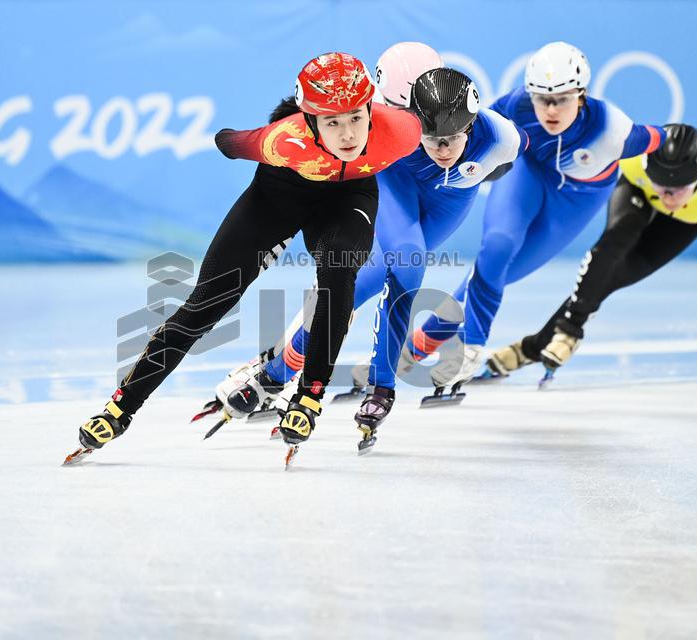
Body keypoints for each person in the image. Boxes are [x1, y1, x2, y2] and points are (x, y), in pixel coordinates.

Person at [63, 52, 422, 466]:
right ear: (309, 120)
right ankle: (120, 409)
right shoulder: (282, 139)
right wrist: (238, 136)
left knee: (339, 267)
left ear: (371, 110)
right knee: (204, 307)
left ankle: (310, 397)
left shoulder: (402, 130)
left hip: (348, 197)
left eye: (357, 119)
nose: (347, 135)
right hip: (279, 195)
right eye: (333, 122)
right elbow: (228, 141)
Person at [203, 43, 527, 451]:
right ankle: (379, 386)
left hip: (447, 201)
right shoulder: (377, 118)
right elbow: (312, 126)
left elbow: (511, 153)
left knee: (362, 285)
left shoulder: (499, 136)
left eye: (423, 113)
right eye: (399, 110)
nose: (416, 124)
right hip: (394, 183)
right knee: (406, 262)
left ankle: (278, 370)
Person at [404, 41, 666, 400]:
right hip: (529, 174)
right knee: (496, 248)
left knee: (499, 274)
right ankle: (468, 349)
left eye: (561, 99)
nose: (550, 109)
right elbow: (473, 130)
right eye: (542, 98)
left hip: (574, 201)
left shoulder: (613, 129)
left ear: (582, 95)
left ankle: (418, 346)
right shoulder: (516, 106)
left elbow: (666, 138)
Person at [486, 123, 697, 382]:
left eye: (676, 190)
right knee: (614, 242)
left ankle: (532, 347)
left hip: (693, 212)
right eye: (662, 186)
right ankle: (566, 333)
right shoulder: (633, 159)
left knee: (619, 274)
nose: (667, 198)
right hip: (638, 190)